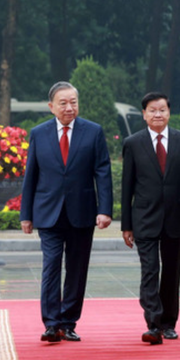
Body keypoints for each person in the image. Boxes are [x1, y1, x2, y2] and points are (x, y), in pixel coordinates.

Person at [20, 82, 113, 343]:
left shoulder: (93, 132)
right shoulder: (38, 134)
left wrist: (105, 210)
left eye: (73, 102)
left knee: (77, 268)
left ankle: (68, 322)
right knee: (50, 266)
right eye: (63, 103)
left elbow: (102, 173)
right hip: (48, 213)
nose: (69, 107)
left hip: (82, 212)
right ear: (51, 107)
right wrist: (25, 214)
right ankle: (51, 324)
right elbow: (31, 176)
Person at [121, 91, 180, 345]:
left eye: (162, 110)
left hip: (176, 217)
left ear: (169, 112)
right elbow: (127, 187)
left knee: (171, 272)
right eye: (152, 110)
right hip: (144, 218)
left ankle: (169, 323)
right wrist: (126, 225)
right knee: (149, 271)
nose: (158, 114)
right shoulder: (133, 143)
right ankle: (153, 324)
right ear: (145, 114)